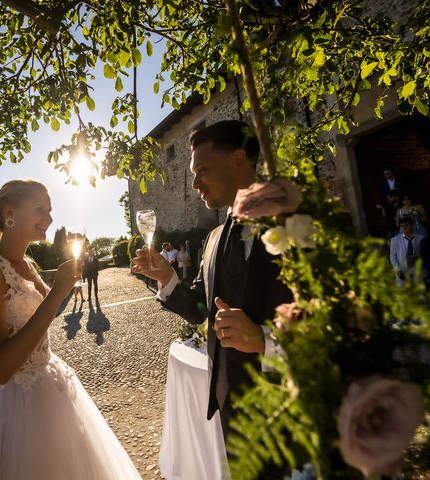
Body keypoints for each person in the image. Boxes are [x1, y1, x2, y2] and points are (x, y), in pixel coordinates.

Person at [133, 120, 293, 477]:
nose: (194, 184)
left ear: (238, 159)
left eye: (202, 170)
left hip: (292, 408)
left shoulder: (296, 221)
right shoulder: (214, 239)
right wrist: (166, 278)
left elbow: (337, 319)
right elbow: (201, 310)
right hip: (231, 410)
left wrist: (266, 340)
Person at [0, 179, 140, 480]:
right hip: (9, 407)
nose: (49, 219)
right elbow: (0, 369)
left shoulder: (29, 264)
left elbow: (46, 313)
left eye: (50, 210)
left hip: (48, 384)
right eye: (40, 210)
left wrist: (68, 287)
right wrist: (58, 293)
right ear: (10, 212)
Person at [389, 217, 425, 286]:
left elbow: (425, 254)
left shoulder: (421, 238)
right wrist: (398, 270)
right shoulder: (395, 240)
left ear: (412, 225)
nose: (404, 227)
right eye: (402, 226)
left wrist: (419, 258)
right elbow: (392, 256)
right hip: (402, 270)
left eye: (407, 225)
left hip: (417, 269)